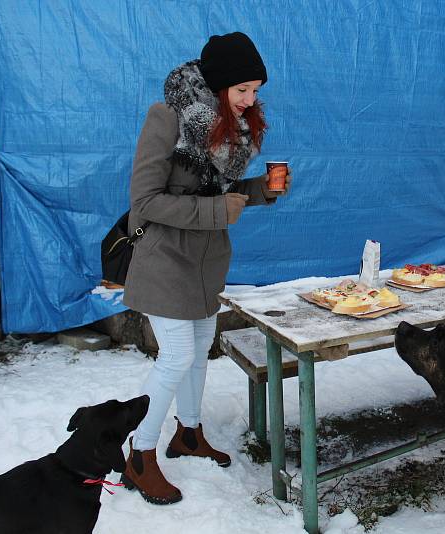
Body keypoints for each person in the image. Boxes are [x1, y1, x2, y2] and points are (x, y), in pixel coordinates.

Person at [120, 32, 291, 505]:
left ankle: (188, 435)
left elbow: (219, 194)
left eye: (256, 90)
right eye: (242, 90)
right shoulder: (167, 118)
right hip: (165, 259)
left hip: (207, 260)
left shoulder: (228, 127)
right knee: (175, 356)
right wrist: (219, 211)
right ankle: (139, 454)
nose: (250, 100)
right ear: (217, 85)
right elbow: (145, 201)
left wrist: (261, 191)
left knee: (199, 350)